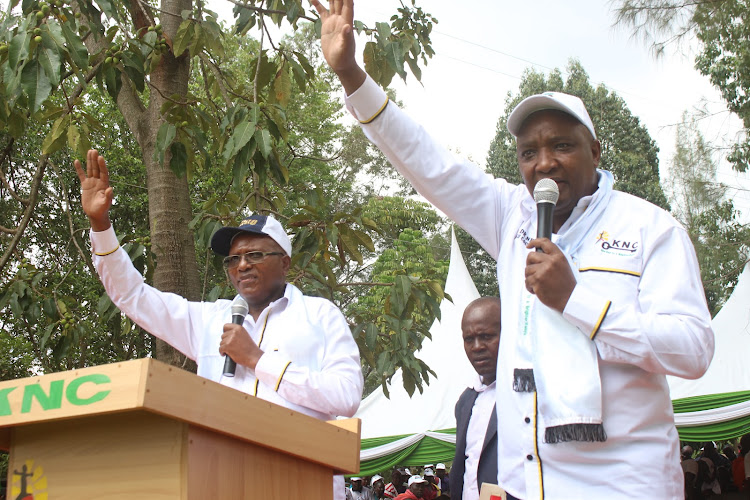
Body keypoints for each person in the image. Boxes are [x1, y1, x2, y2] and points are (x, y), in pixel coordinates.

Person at [311, 2, 716, 498]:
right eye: (529, 153)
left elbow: (694, 349)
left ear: (595, 150)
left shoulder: (652, 229)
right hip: (528, 486)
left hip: (624, 485)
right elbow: (428, 163)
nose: (544, 163)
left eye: (562, 146)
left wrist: (578, 303)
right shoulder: (510, 217)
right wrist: (353, 76)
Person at [74, 149, 364, 500]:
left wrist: (258, 360)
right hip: (219, 482)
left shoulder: (321, 316)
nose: (242, 266)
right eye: (234, 259)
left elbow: (346, 396)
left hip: (303, 482)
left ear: (285, 263)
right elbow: (133, 297)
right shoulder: (210, 318)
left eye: (255, 255)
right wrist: (101, 227)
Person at [451, 297, 500, 500]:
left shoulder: (528, 394)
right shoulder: (465, 402)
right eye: (469, 339)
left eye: (486, 336)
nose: (477, 346)